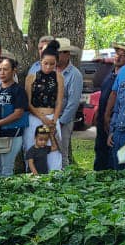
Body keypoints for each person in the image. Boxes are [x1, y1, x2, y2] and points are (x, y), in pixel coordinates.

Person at [0, 56, 28, 180]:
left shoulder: (18, 90)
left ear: (14, 71)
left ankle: (6, 198)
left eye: (5, 69)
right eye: (0, 70)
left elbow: (18, 113)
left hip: (11, 136)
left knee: (6, 172)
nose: (2, 73)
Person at [24, 40, 65, 173]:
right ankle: (33, 178)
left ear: (56, 63)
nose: (48, 67)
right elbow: (28, 103)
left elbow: (59, 101)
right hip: (35, 118)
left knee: (54, 151)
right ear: (40, 61)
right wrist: (42, 117)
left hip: (52, 117)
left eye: (52, 64)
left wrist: (53, 120)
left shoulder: (59, 77)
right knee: (33, 149)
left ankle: (54, 179)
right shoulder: (31, 77)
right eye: (45, 63)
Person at [94, 43, 125, 171]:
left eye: (124, 55)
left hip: (115, 119)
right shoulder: (111, 72)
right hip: (102, 117)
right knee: (100, 148)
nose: (119, 57)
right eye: (118, 54)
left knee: (113, 150)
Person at [54, 38, 84, 167]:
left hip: (62, 120)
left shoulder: (74, 75)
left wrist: (61, 122)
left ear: (67, 54)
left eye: (59, 52)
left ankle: (63, 181)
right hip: (47, 117)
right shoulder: (50, 69)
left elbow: (73, 102)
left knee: (61, 152)